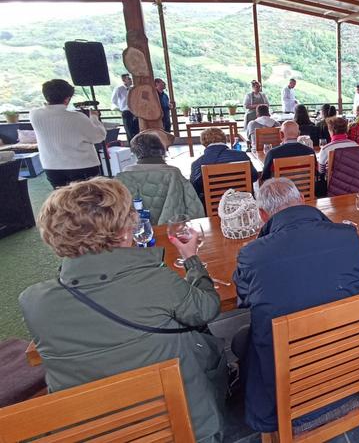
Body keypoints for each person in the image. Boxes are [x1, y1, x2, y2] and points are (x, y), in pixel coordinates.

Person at [18, 178, 226, 442]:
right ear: (124, 230)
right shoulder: (156, 282)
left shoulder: (33, 301)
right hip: (182, 424)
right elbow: (208, 308)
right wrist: (192, 260)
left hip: (88, 429)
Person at [232, 177, 359, 433]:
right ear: (301, 201)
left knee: (243, 339)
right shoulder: (347, 235)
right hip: (349, 363)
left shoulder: (252, 254)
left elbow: (244, 299)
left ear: (263, 216)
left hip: (290, 383)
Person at [30, 79, 107, 189]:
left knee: (62, 200)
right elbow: (99, 136)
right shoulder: (78, 117)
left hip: (51, 167)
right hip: (83, 166)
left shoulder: (34, 114)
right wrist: (94, 117)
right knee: (87, 198)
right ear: (67, 99)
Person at [121, 132, 205, 221]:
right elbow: (193, 204)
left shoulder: (126, 173)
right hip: (172, 224)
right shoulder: (173, 172)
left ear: (135, 152)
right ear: (160, 149)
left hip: (137, 226)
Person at [190, 127, 258, 199]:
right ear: (224, 139)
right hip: (243, 203)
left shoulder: (198, 164)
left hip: (214, 206)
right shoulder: (241, 156)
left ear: (203, 142)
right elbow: (254, 176)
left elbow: (194, 190)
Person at [110, 73, 139, 141]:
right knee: (129, 131)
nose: (131, 80)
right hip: (126, 112)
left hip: (136, 112)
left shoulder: (133, 88)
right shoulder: (119, 89)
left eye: (131, 79)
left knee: (136, 131)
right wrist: (120, 109)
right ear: (124, 80)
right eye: (128, 79)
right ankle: (131, 148)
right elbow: (114, 100)